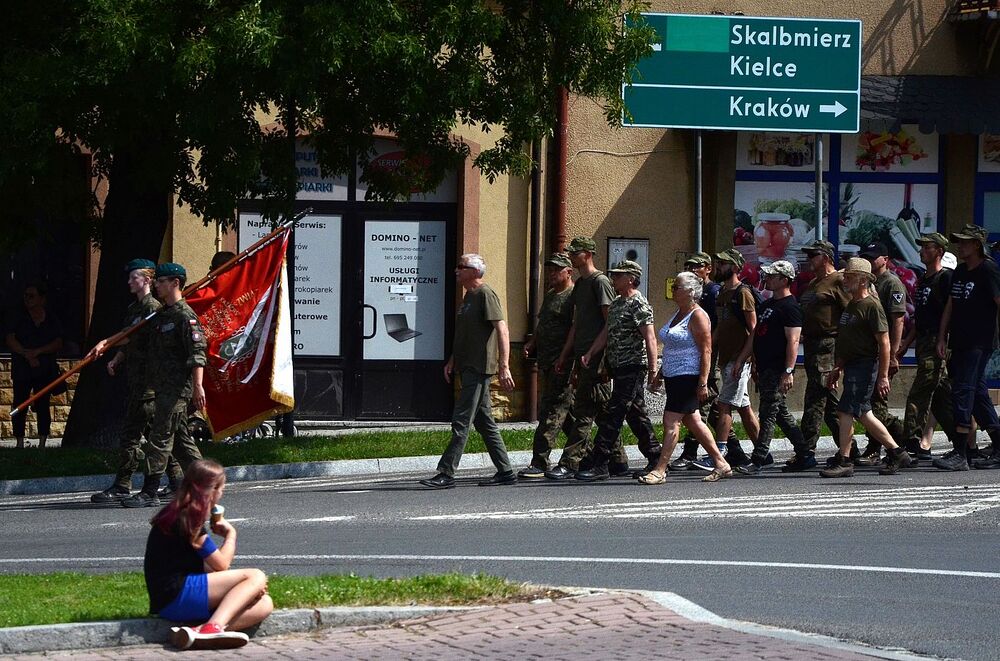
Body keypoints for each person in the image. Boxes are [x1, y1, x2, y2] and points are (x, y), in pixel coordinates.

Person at [145, 459, 272, 650]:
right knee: (256, 575)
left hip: (167, 601)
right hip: (176, 594)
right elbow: (221, 565)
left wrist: (248, 591)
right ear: (212, 489)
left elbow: (207, 567)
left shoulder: (176, 512)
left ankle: (196, 632)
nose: (221, 493)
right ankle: (213, 628)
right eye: (220, 488)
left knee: (264, 604)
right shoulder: (189, 518)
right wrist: (231, 535)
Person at [89, 259, 185, 503]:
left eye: (134, 277)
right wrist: (117, 358)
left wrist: (106, 343)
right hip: (138, 379)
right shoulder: (136, 308)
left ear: (148, 280)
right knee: (160, 437)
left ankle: (124, 484)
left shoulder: (153, 308)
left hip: (149, 383)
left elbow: (132, 335)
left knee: (136, 435)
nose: (129, 282)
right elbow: (132, 341)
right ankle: (177, 482)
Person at [420, 254, 517, 488]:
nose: (456, 270)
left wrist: (504, 366)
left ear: (474, 271)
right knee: (484, 422)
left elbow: (502, 330)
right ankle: (505, 471)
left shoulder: (485, 294)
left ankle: (446, 472)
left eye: (461, 266)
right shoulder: (468, 297)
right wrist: (453, 359)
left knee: (461, 420)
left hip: (479, 367)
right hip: (466, 365)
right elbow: (465, 334)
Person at [122, 263, 207, 507]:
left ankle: (150, 491)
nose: (156, 285)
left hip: (176, 389)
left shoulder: (185, 316)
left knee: (159, 438)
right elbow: (138, 339)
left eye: (161, 281)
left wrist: (198, 387)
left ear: (175, 283)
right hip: (161, 387)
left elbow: (197, 353)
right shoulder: (161, 315)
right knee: (181, 442)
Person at [545, 237, 629, 479]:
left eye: (576, 252)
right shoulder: (581, 284)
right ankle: (618, 460)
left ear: (588, 254)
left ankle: (570, 462)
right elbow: (577, 324)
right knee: (603, 412)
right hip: (583, 358)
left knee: (584, 411)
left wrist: (600, 357)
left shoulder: (600, 282)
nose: (571, 256)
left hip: (596, 358)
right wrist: (566, 356)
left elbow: (609, 322)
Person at [820, 259, 913, 478]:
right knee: (862, 412)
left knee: (846, 410)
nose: (845, 279)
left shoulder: (872, 306)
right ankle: (896, 451)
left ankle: (845, 460)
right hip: (852, 365)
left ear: (863, 280)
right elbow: (848, 340)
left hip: (865, 365)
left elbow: (884, 343)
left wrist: (883, 376)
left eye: (850, 276)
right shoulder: (853, 304)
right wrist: (838, 366)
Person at [640, 271, 731, 484]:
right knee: (693, 420)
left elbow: (706, 350)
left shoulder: (698, 315)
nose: (672, 290)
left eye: (676, 286)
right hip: (673, 374)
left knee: (671, 420)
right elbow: (672, 347)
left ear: (690, 292)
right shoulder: (678, 313)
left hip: (688, 376)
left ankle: (660, 469)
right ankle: (721, 463)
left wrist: (703, 382)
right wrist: (660, 373)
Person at [574, 260, 663, 481]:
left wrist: (653, 369)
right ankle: (656, 458)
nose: (613, 278)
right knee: (636, 414)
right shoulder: (616, 303)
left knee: (614, 412)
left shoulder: (638, 304)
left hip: (632, 367)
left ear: (631, 278)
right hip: (617, 366)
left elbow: (650, 338)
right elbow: (607, 331)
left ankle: (600, 463)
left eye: (618, 275)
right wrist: (591, 352)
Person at [936, 224, 1000, 470]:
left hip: (980, 341)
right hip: (960, 340)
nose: (960, 246)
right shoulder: (961, 271)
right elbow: (950, 306)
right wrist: (942, 337)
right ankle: (998, 444)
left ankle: (961, 452)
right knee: (978, 393)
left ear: (977, 245)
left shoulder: (989, 270)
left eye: (964, 242)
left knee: (963, 390)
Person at [669, 252, 740, 470]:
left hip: (707, 353)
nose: (692, 270)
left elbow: (714, 326)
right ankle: (734, 452)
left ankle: (691, 452)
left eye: (697, 266)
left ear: (708, 268)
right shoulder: (695, 296)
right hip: (697, 355)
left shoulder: (713, 292)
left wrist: (709, 351)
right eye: (688, 267)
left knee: (700, 406)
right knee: (708, 406)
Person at [783, 240, 850, 472]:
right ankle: (849, 449)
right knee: (830, 403)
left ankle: (806, 452)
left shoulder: (839, 281)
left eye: (814, 254)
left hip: (827, 345)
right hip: (812, 345)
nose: (809, 258)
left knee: (815, 399)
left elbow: (849, 313)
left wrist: (842, 353)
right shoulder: (814, 283)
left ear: (827, 257)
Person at [737, 261, 805, 475]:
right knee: (781, 413)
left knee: (768, 412)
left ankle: (759, 459)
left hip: (778, 368)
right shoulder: (767, 306)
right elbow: (755, 336)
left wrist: (788, 371)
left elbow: (793, 341)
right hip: (765, 368)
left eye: (772, 276)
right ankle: (805, 453)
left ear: (784, 280)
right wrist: (742, 359)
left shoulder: (791, 307)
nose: (767, 279)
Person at [897, 234, 960, 464]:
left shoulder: (946, 278)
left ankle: (911, 442)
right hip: (923, 340)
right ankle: (962, 444)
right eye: (921, 247)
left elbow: (949, 312)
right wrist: (906, 342)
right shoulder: (925, 278)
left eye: (927, 247)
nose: (922, 251)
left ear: (939, 251)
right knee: (942, 397)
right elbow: (920, 316)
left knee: (919, 393)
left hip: (937, 341)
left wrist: (943, 338)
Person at [694, 248, 759, 471]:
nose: (719, 267)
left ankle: (718, 453)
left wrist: (742, 359)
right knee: (744, 408)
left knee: (724, 405)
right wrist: (709, 348)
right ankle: (762, 451)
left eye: (723, 264)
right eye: (718, 263)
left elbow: (754, 330)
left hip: (739, 360)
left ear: (734, 267)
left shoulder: (743, 293)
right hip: (726, 358)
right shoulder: (722, 293)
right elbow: (721, 326)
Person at [518, 253, 576, 478]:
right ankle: (589, 453)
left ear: (568, 272)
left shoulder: (573, 297)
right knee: (567, 414)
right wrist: (532, 343)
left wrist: (564, 357)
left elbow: (575, 329)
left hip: (563, 363)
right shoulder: (552, 295)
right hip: (546, 361)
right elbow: (543, 324)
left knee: (552, 411)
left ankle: (540, 462)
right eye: (550, 270)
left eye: (556, 270)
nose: (551, 274)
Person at [857, 242, 907, 465]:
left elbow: (898, 321)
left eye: (874, 257)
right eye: (866, 257)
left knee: (877, 405)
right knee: (871, 403)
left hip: (883, 352)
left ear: (885, 259)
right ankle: (884, 444)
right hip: (868, 351)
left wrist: (893, 355)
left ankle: (896, 439)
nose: (869, 260)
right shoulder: (870, 282)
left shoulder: (891, 283)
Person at [6, 282, 63, 449]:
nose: (27, 299)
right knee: (19, 403)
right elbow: (10, 339)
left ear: (42, 299)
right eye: (25, 296)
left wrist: (38, 352)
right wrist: (26, 354)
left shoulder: (51, 318)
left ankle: (43, 442)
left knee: (43, 404)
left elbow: (58, 342)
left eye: (31, 296)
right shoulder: (18, 317)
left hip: (44, 368)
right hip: (22, 368)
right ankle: (19, 442)